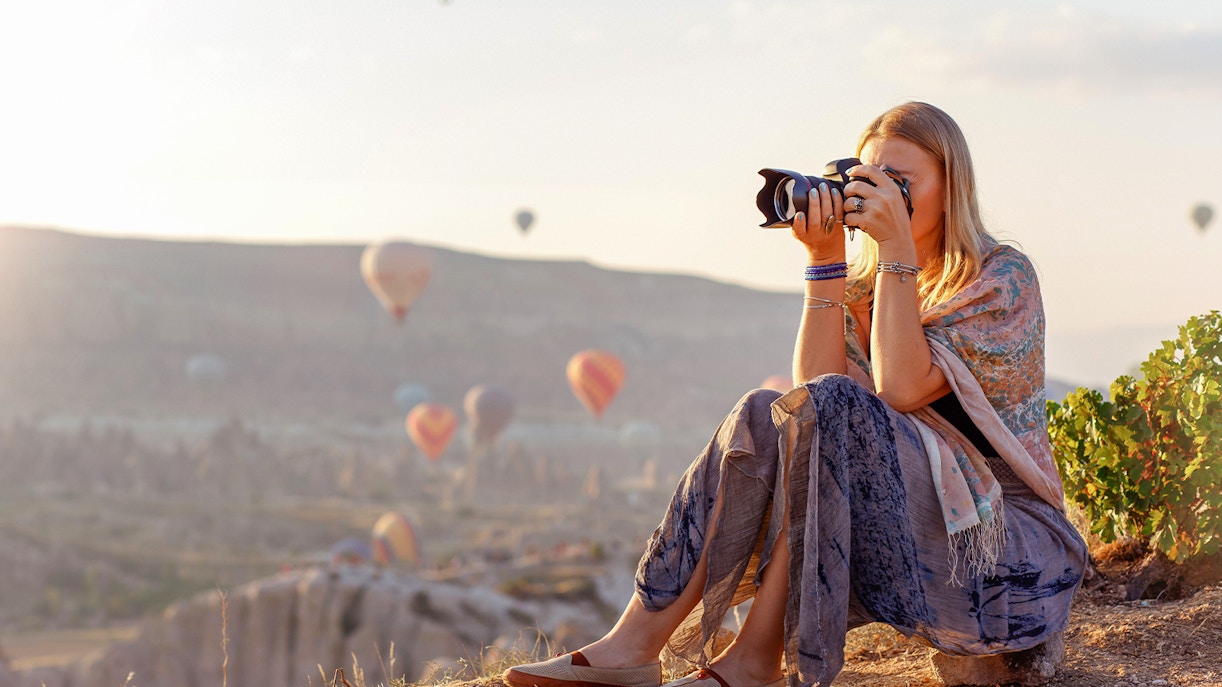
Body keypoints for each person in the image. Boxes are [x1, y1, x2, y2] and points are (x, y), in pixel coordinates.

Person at [503, 102, 1088, 687]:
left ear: (952, 187)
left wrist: (896, 255)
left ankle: (756, 661)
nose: (880, 196)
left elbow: (901, 389)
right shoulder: (870, 288)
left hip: (1007, 561)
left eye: (901, 184)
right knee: (766, 410)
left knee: (838, 409)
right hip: (909, 540)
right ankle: (634, 645)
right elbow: (812, 398)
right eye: (869, 181)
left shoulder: (1000, 277)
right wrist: (825, 262)